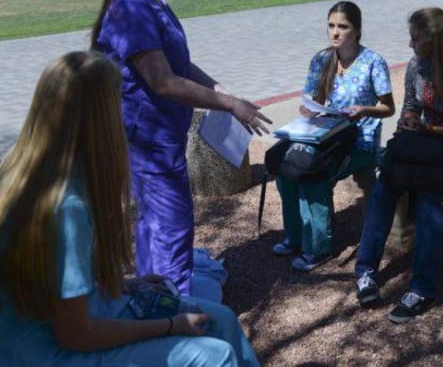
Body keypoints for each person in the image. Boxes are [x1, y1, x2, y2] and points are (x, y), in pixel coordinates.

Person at [0, 51, 260, 366]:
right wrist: (170, 327)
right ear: (96, 116)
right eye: (117, 100)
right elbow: (76, 335)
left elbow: (60, 280)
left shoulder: (36, 168)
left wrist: (128, 285)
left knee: (221, 318)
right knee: (213, 356)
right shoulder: (66, 205)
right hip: (51, 351)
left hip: (82, 316)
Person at [91, 0, 271, 297]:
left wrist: (217, 88)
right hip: (148, 141)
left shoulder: (155, 3)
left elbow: (178, 63)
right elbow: (162, 81)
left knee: (156, 224)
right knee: (172, 226)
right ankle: (178, 315)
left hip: (164, 138)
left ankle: (154, 296)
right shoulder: (131, 8)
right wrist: (230, 104)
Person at [355, 7, 443, 323]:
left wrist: (436, 130)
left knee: (429, 196)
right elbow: (410, 108)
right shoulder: (417, 67)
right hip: (423, 149)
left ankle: (422, 288)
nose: (410, 45)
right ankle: (365, 271)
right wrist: (409, 122)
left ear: (436, 41)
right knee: (386, 183)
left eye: (416, 39)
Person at [274, 1, 395, 272]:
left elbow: (389, 108)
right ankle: (295, 236)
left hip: (358, 140)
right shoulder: (321, 59)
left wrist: (364, 109)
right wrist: (308, 108)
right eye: (331, 26)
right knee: (285, 169)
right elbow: (312, 99)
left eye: (343, 26)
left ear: (357, 30)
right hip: (324, 135)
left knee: (313, 174)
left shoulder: (373, 62)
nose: (335, 32)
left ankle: (318, 247)